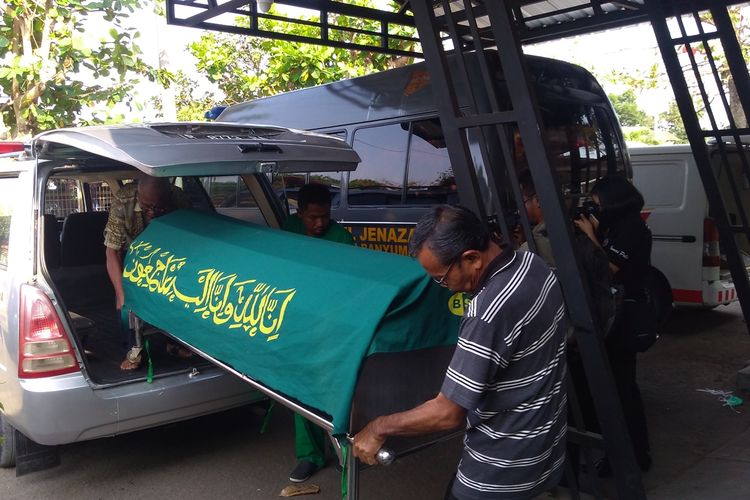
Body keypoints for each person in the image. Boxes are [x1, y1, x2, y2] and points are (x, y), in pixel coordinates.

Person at [353, 205, 568, 500]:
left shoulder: (487, 312)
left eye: (441, 279)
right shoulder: (532, 264)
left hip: (502, 467)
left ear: (471, 258)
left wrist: (378, 427)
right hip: (545, 445)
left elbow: (447, 414)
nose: (444, 288)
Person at [574, 175, 653, 475]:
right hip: (612, 314)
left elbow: (609, 268)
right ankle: (622, 455)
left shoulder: (631, 228)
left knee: (623, 390)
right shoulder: (616, 226)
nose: (595, 209)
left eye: (597, 204)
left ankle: (635, 457)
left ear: (613, 201)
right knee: (612, 389)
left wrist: (591, 236)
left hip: (624, 318)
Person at [281, 183, 355, 483]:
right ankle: (310, 455)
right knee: (302, 390)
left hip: (334, 325)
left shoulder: (342, 239)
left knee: (341, 393)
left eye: (325, 216)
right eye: (313, 217)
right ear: (300, 214)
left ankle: (347, 454)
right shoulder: (287, 230)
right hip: (299, 323)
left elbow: (352, 288)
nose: (320, 223)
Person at [103, 174, 191, 370]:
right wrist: (120, 293)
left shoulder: (179, 199)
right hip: (131, 252)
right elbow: (112, 251)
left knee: (175, 297)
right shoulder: (123, 199)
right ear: (139, 195)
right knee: (127, 305)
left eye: (158, 208)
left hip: (167, 253)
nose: (151, 213)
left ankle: (173, 344)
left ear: (168, 196)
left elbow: (189, 240)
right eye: (146, 207)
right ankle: (134, 350)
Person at [516, 169, 556, 268]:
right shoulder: (567, 229)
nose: (520, 209)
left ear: (538, 200)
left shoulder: (530, 249)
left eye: (523, 201)